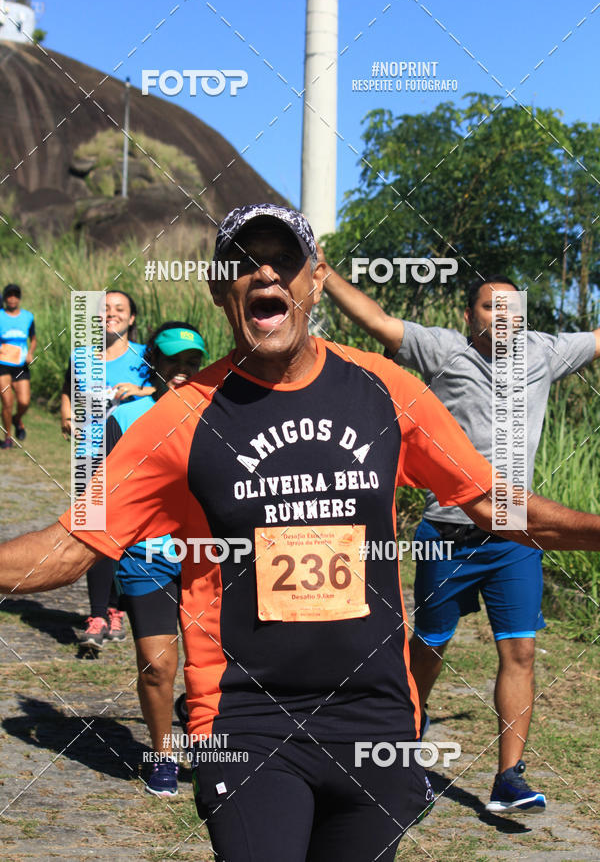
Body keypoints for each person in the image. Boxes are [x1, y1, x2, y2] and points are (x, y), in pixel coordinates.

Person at [3, 205, 600, 861]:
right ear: (218, 291)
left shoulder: (384, 390)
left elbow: (489, 504)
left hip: (374, 718)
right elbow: (68, 547)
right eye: (242, 262)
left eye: (284, 260)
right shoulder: (182, 419)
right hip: (245, 720)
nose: (264, 274)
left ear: (316, 280)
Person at [322, 263, 600, 814]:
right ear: (466, 315)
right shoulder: (441, 349)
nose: (503, 319)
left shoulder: (544, 353)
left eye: (512, 310)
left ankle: (509, 778)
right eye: (489, 308)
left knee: (519, 650)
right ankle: (404, 749)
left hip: (515, 533)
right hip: (446, 533)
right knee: (428, 649)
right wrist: (323, 271)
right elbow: (376, 320)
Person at [106, 321, 207, 797]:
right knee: (157, 665)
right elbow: (98, 496)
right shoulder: (126, 419)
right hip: (148, 556)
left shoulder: (221, 414)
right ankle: (163, 756)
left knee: (217, 665)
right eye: (173, 363)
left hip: (210, 557)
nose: (184, 372)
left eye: (193, 363)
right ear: (155, 365)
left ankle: (207, 739)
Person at [61, 289, 153, 649]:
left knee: (128, 535)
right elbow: (69, 390)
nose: (110, 314)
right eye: (104, 309)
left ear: (131, 319)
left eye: (119, 309)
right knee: (93, 533)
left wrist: (141, 390)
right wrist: (67, 415)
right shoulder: (81, 356)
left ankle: (117, 607)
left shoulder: (146, 355)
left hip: (134, 455)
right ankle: (98, 613)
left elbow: (167, 390)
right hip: (89, 454)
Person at [0, 283, 37, 448]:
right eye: (9, 295)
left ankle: (17, 419)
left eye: (15, 295)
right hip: (3, 365)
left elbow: (33, 338)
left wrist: (30, 352)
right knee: (7, 402)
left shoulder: (28, 317)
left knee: (24, 402)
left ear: (19, 298)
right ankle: (8, 437)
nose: (12, 298)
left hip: (21, 365)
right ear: (5, 298)